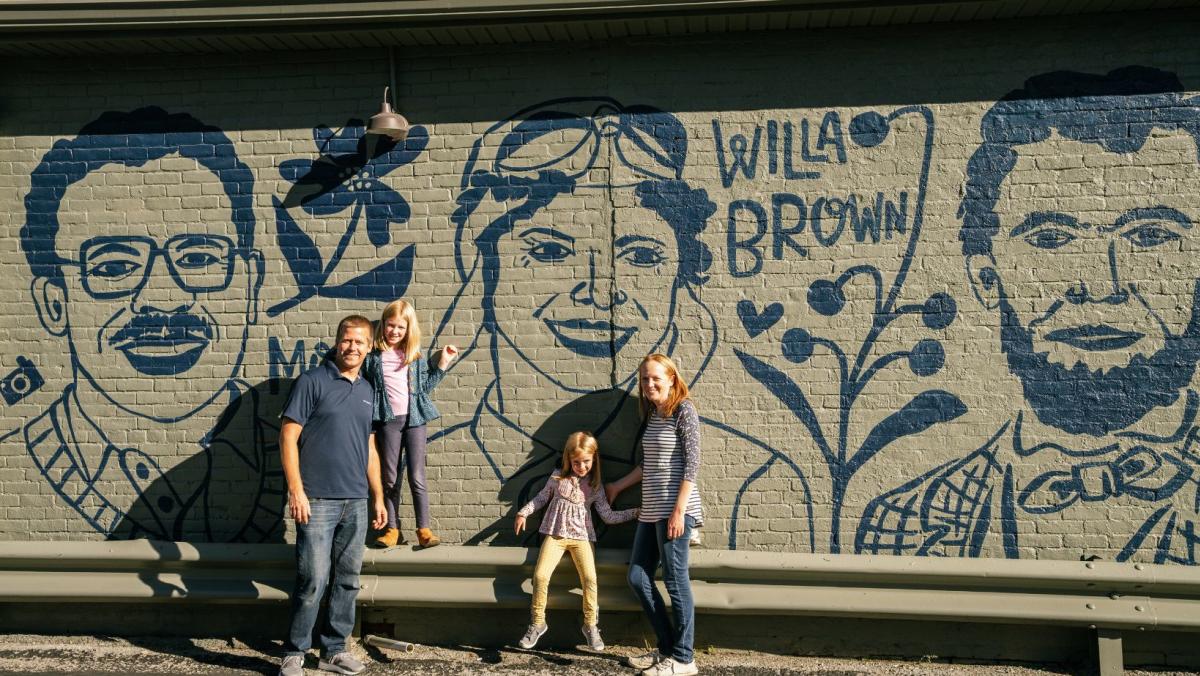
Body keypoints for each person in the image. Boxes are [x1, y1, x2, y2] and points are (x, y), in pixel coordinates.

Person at [429, 97, 809, 549]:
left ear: (679, 279)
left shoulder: (758, 479)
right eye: (549, 250)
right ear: (484, 269)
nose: (597, 290)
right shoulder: (438, 460)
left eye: (643, 256)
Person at [856, 66, 1200, 565]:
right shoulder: (906, 524)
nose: (1101, 288)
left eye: (1148, 236)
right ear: (986, 276)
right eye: (1052, 239)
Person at [12, 106, 280, 542]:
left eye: (198, 259)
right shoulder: (15, 463)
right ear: (54, 303)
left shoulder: (311, 462)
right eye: (114, 266)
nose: (163, 299)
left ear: (251, 284)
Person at [279, 315, 387, 676]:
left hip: (355, 502)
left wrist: (377, 496)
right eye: (346, 340)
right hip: (317, 501)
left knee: (347, 579)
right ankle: (294, 652)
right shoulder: (312, 381)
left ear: (369, 347)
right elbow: (288, 436)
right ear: (337, 341)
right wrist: (296, 491)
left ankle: (334, 651)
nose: (352, 347)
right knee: (312, 580)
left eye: (359, 342)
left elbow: (370, 448)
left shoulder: (368, 391)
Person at [607, 354, 702, 676]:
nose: (649, 384)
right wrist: (618, 486)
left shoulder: (683, 410)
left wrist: (678, 512)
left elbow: (691, 465)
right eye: (645, 379)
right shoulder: (654, 414)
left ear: (672, 378)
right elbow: (651, 464)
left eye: (655, 378)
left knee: (676, 582)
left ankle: (684, 658)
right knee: (637, 576)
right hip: (650, 510)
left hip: (675, 510)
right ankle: (666, 648)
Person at [512, 431, 638, 652]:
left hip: (582, 538)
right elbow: (541, 498)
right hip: (555, 535)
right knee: (541, 575)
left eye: (586, 462)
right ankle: (537, 622)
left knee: (589, 578)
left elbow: (608, 516)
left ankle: (590, 625)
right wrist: (523, 513)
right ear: (568, 459)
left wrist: (636, 512)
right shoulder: (557, 478)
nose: (581, 466)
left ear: (594, 460)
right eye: (576, 462)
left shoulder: (596, 486)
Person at [363, 299, 458, 549]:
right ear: (383, 325)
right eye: (390, 325)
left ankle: (423, 530)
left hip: (414, 420)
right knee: (390, 477)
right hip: (387, 422)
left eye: (400, 328)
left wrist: (443, 364)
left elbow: (424, 389)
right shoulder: (373, 357)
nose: (394, 331)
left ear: (408, 330)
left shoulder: (413, 355)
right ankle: (392, 529)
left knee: (417, 476)